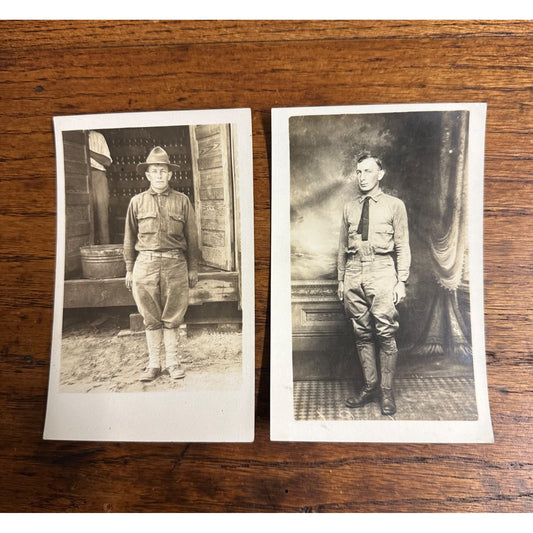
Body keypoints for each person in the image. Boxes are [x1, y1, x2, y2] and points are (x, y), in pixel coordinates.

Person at [337, 153, 410, 416]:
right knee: (361, 333)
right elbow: (342, 248)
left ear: (380, 174)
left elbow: (402, 246)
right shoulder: (349, 207)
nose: (362, 177)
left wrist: (401, 282)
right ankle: (370, 386)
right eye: (358, 172)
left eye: (368, 171)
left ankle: (387, 392)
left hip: (382, 270)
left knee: (385, 332)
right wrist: (342, 279)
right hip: (354, 271)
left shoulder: (395, 205)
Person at [123, 146, 199, 382]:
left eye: (163, 171)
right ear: (147, 175)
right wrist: (128, 268)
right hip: (144, 265)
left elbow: (193, 237)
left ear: (170, 174)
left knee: (173, 316)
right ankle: (154, 364)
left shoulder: (182, 201)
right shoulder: (136, 202)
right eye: (154, 171)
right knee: (151, 317)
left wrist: (193, 267)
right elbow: (129, 237)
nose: (158, 175)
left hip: (175, 264)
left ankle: (173, 363)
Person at [88, 130, 112, 244]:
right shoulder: (73, 137)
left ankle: (105, 249)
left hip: (97, 175)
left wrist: (87, 151)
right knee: (86, 215)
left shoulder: (97, 136)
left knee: (102, 216)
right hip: (81, 176)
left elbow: (107, 162)